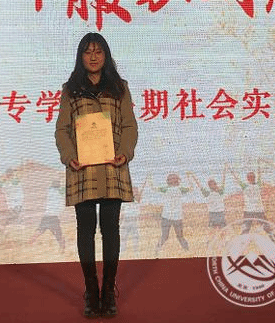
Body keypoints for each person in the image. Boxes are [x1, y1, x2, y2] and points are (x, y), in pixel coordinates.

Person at [55, 32, 138, 318]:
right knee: (86, 230)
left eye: (98, 51)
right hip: (83, 169)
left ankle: (109, 291)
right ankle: (91, 291)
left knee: (111, 230)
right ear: (80, 56)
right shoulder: (71, 90)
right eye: (88, 52)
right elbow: (62, 129)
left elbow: (129, 126)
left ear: (106, 56)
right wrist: (69, 156)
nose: (93, 57)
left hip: (113, 167)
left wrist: (125, 152)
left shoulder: (119, 88)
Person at [152, 173, 193, 255]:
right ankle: (157, 250)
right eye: (171, 178)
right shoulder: (166, 189)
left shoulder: (180, 189)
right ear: (168, 180)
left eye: (174, 178)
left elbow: (191, 188)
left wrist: (189, 178)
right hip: (166, 216)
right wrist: (150, 178)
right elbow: (153, 188)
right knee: (164, 236)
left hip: (177, 217)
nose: (173, 180)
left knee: (180, 236)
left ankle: (187, 251)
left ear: (177, 179)